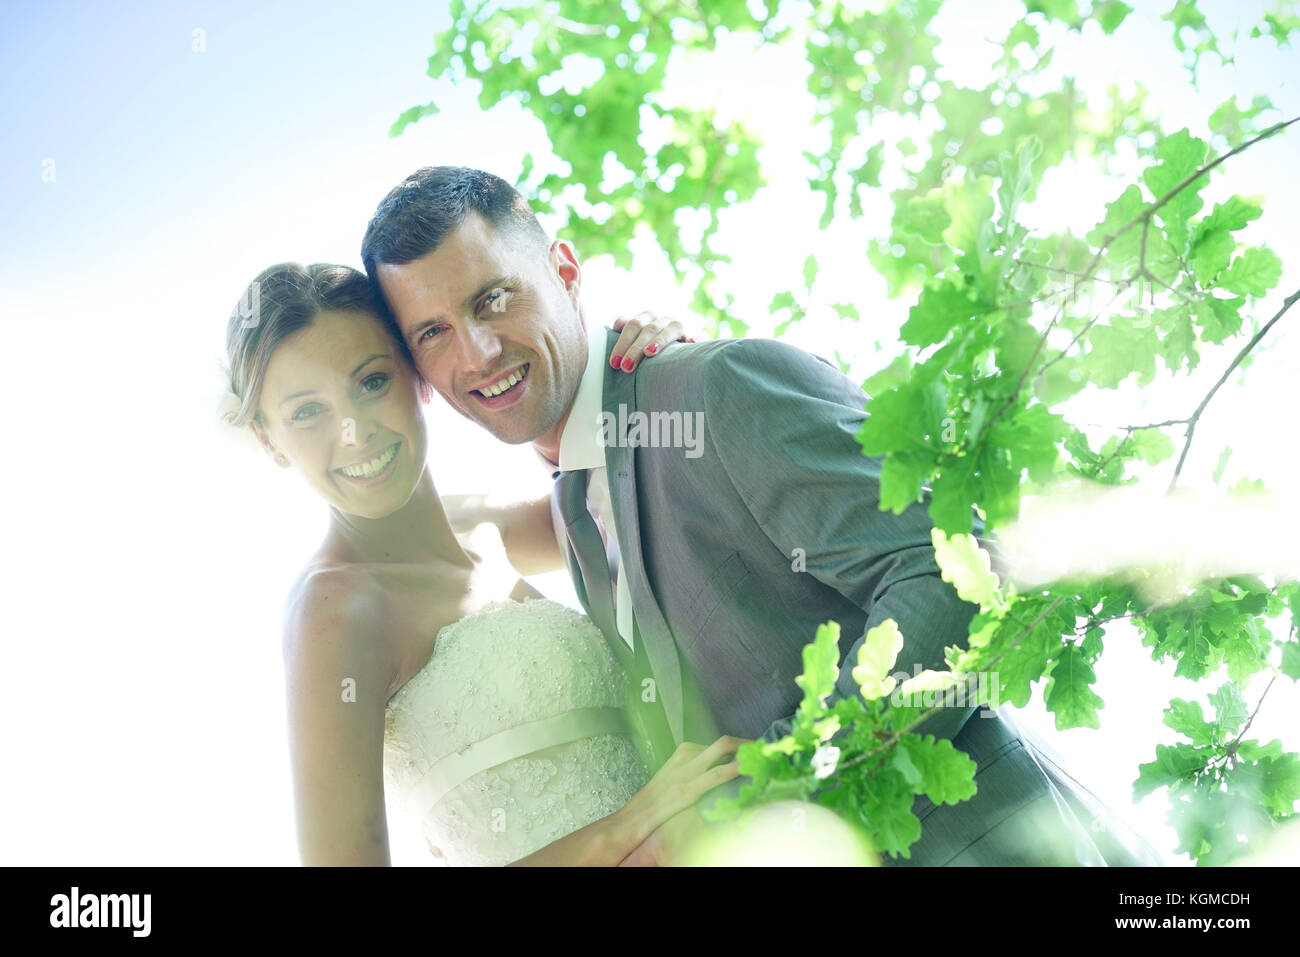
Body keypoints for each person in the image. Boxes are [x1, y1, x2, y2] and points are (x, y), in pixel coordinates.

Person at [359, 166, 1167, 867]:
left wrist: (787, 784)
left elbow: (952, 570)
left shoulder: (717, 387)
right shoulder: (573, 508)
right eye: (433, 333)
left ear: (565, 270)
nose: (476, 352)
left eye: (494, 298)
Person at [220, 261, 743, 865]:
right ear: (267, 438)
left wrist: (654, 364)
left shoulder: (486, 525)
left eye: (370, 382)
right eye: (307, 412)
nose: (353, 432)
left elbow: (632, 488)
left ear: (419, 377)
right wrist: (626, 827)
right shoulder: (335, 609)